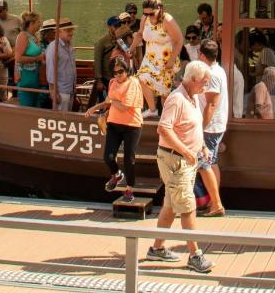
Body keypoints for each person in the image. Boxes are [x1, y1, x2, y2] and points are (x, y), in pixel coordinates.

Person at [147, 60, 214, 274]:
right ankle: (195, 255)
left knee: (170, 204)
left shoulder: (193, 97)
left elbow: (191, 127)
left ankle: (156, 248)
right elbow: (163, 128)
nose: (206, 86)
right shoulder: (176, 99)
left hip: (186, 159)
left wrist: (201, 146)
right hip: (176, 160)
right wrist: (186, 151)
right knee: (187, 206)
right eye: (204, 82)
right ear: (193, 80)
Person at [86, 57, 143, 203]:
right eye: (115, 72)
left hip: (132, 125)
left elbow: (124, 106)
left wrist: (112, 101)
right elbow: (108, 102)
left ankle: (129, 189)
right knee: (108, 157)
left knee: (128, 159)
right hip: (114, 124)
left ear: (127, 70)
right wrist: (94, 108)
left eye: (121, 71)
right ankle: (117, 174)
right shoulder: (112, 82)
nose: (118, 75)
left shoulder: (133, 82)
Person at [135, 0, 182, 118]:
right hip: (150, 58)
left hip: (166, 59)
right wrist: (131, 48)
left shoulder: (167, 20)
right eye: (145, 13)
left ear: (159, 9)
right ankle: (152, 109)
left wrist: (172, 60)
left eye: (151, 13)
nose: (149, 16)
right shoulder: (145, 19)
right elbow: (140, 34)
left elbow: (179, 40)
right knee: (141, 79)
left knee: (164, 94)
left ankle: (167, 119)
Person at [197, 39, 228, 218]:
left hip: (210, 126)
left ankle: (216, 203)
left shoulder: (212, 75)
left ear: (202, 55)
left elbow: (210, 104)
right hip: (216, 124)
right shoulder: (219, 70)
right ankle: (212, 202)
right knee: (211, 162)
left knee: (205, 164)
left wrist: (201, 128)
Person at [45, 19, 77, 111]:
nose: (71, 33)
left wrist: (74, 87)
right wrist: (53, 93)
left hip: (69, 89)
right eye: (67, 30)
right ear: (58, 32)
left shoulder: (69, 46)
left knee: (67, 117)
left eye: (71, 30)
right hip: (61, 91)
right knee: (61, 118)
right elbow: (50, 71)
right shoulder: (53, 47)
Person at [14, 11, 45, 107]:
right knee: (27, 104)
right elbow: (18, 58)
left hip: (35, 75)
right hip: (26, 76)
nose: (40, 24)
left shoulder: (34, 37)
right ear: (31, 23)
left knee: (36, 103)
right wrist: (37, 58)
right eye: (39, 22)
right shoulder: (23, 36)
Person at [92, 15, 120, 105]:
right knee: (104, 103)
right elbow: (97, 61)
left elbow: (128, 53)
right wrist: (99, 81)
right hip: (105, 78)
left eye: (120, 25)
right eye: (116, 26)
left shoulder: (121, 40)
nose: (118, 28)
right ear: (109, 27)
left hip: (118, 77)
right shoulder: (101, 42)